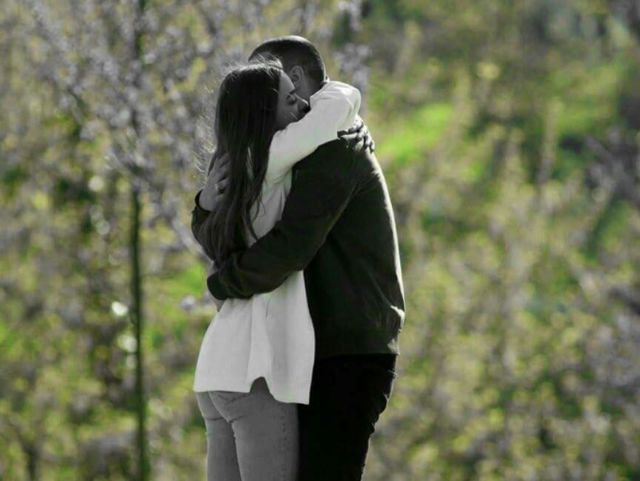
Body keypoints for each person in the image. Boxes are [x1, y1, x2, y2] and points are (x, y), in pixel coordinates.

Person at [192, 36, 405, 481]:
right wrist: (205, 206)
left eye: (280, 87)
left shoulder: (335, 146)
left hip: (347, 348)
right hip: (313, 350)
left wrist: (220, 282)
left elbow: (288, 247)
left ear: (297, 79)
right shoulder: (283, 155)